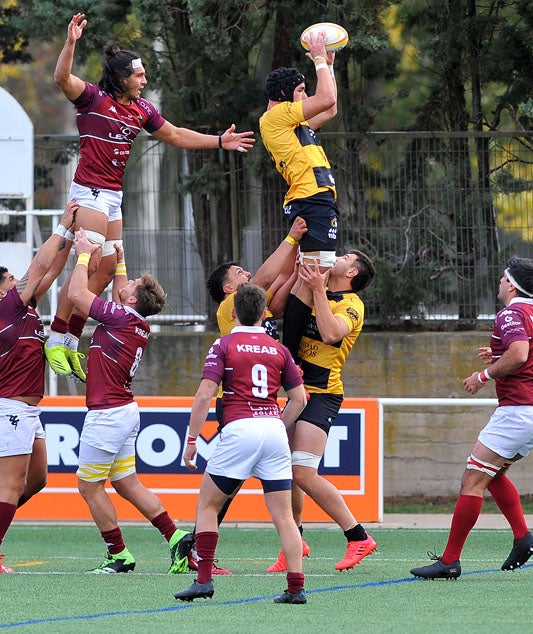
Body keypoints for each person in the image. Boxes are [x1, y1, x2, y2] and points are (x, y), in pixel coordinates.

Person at [46, 12, 256, 382]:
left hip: (112, 196)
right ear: (121, 78)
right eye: (139, 74)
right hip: (90, 191)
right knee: (88, 261)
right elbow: (61, 78)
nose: (144, 80)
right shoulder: (92, 98)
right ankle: (56, 337)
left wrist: (220, 141)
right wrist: (71, 42)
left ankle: (72, 340)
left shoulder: (142, 109)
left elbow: (174, 135)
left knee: (108, 268)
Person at [411, 256, 533, 580]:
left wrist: (484, 375)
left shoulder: (511, 313)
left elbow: (520, 354)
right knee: (491, 475)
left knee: (473, 479)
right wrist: (499, 357)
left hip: (518, 410)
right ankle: (523, 537)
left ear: (510, 283)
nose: (499, 284)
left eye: (501, 278)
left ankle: (450, 560)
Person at [180, 217, 309, 576]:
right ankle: (198, 551)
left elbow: (277, 289)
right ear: (227, 291)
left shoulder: (257, 315)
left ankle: (201, 563)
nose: (247, 274)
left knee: (222, 492)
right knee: (236, 493)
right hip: (248, 411)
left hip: (256, 416)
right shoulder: (228, 311)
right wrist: (290, 237)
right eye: (238, 273)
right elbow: (266, 281)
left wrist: (299, 261)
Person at [66, 229, 190, 574]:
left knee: (89, 487)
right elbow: (124, 295)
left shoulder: (120, 317)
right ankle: (176, 536)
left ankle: (118, 553)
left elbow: (77, 294)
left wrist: (83, 253)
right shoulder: (133, 320)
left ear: (132, 300)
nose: (129, 280)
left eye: (133, 282)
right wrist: (120, 261)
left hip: (107, 414)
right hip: (124, 411)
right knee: (125, 482)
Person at [0, 202, 78, 573]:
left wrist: (75, 243)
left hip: (26, 411)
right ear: (2, 294)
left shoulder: (26, 307)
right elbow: (37, 267)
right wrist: (63, 226)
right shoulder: (3, 311)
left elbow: (49, 269)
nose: (17, 280)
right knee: (12, 485)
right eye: (10, 279)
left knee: (38, 480)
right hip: (8, 408)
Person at [267, 250, 378, 573]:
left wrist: (317, 288)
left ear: (353, 272)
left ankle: (358, 536)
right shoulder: (319, 290)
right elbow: (278, 309)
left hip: (322, 393)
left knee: (303, 472)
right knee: (287, 471)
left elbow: (330, 334)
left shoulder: (352, 304)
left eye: (344, 257)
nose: (338, 257)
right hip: (299, 392)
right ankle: (295, 541)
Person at [259, 31, 339, 270]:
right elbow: (325, 99)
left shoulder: (290, 121)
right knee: (317, 271)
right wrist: (318, 61)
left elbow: (330, 108)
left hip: (315, 198)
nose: (306, 96)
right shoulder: (277, 115)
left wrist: (329, 67)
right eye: (301, 90)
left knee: (314, 270)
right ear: (284, 95)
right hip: (311, 198)